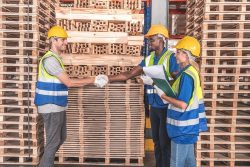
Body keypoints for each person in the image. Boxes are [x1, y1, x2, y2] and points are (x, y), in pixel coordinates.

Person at [95, 24, 180, 167]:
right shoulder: (148, 59)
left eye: (152, 39)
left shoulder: (170, 58)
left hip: (167, 106)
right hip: (153, 106)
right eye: (149, 40)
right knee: (157, 143)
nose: (149, 42)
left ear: (161, 39)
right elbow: (129, 74)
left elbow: (177, 80)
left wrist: (156, 80)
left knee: (165, 143)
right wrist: (107, 78)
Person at [34, 25, 107, 167]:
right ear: (54, 40)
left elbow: (63, 80)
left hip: (58, 105)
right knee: (54, 141)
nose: (66, 43)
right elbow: (68, 82)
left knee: (61, 138)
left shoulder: (56, 59)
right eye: (63, 40)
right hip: (50, 105)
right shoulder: (50, 60)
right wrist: (93, 80)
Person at [153, 36, 208, 167]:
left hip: (182, 128)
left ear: (186, 55)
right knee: (189, 162)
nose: (175, 55)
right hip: (188, 128)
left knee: (176, 162)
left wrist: (164, 96)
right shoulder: (189, 72)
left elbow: (183, 104)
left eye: (178, 52)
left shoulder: (187, 76)